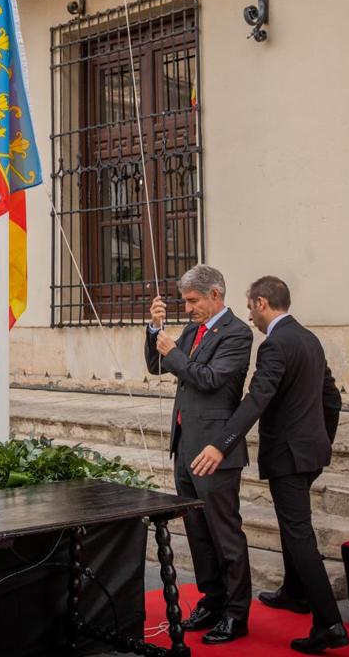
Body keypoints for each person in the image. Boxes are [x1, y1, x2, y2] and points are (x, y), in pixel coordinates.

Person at [191, 276, 347, 655]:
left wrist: (220, 445)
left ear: (262, 303)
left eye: (249, 307)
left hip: (289, 456)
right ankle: (295, 593)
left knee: (298, 535)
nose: (249, 316)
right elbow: (332, 399)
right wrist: (322, 441)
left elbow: (255, 401)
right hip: (309, 453)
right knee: (292, 527)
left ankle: (329, 623)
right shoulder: (309, 338)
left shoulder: (275, 344)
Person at [144, 265, 253, 645]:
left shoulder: (237, 334)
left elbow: (208, 379)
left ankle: (237, 613)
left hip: (215, 449)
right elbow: (158, 366)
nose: (187, 309)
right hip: (185, 444)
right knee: (197, 531)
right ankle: (212, 598)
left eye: (193, 301)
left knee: (225, 533)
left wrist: (174, 352)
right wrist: (155, 331)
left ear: (215, 296)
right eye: (185, 301)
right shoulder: (193, 330)